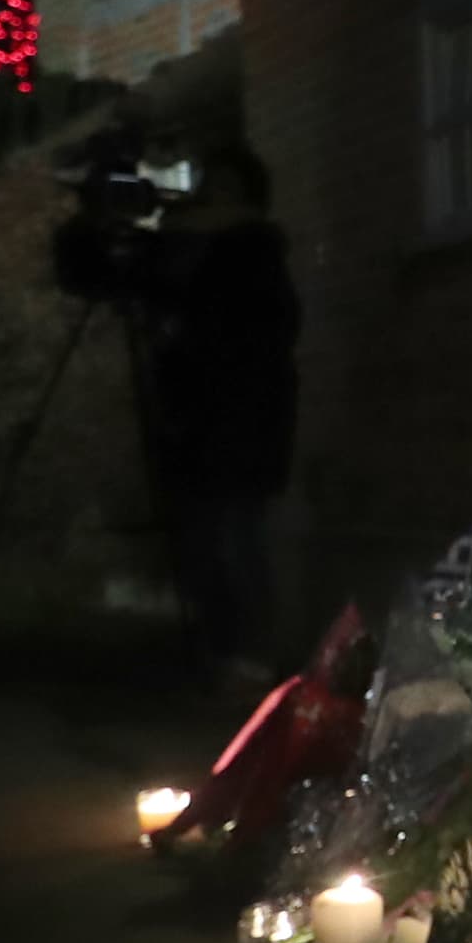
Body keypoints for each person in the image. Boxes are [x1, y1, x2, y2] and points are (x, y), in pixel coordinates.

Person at [144, 142, 297, 682]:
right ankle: (221, 649)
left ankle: (251, 654)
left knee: (237, 538)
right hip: (199, 421)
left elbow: (261, 337)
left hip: (242, 421)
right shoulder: (189, 249)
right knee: (205, 541)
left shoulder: (254, 251)